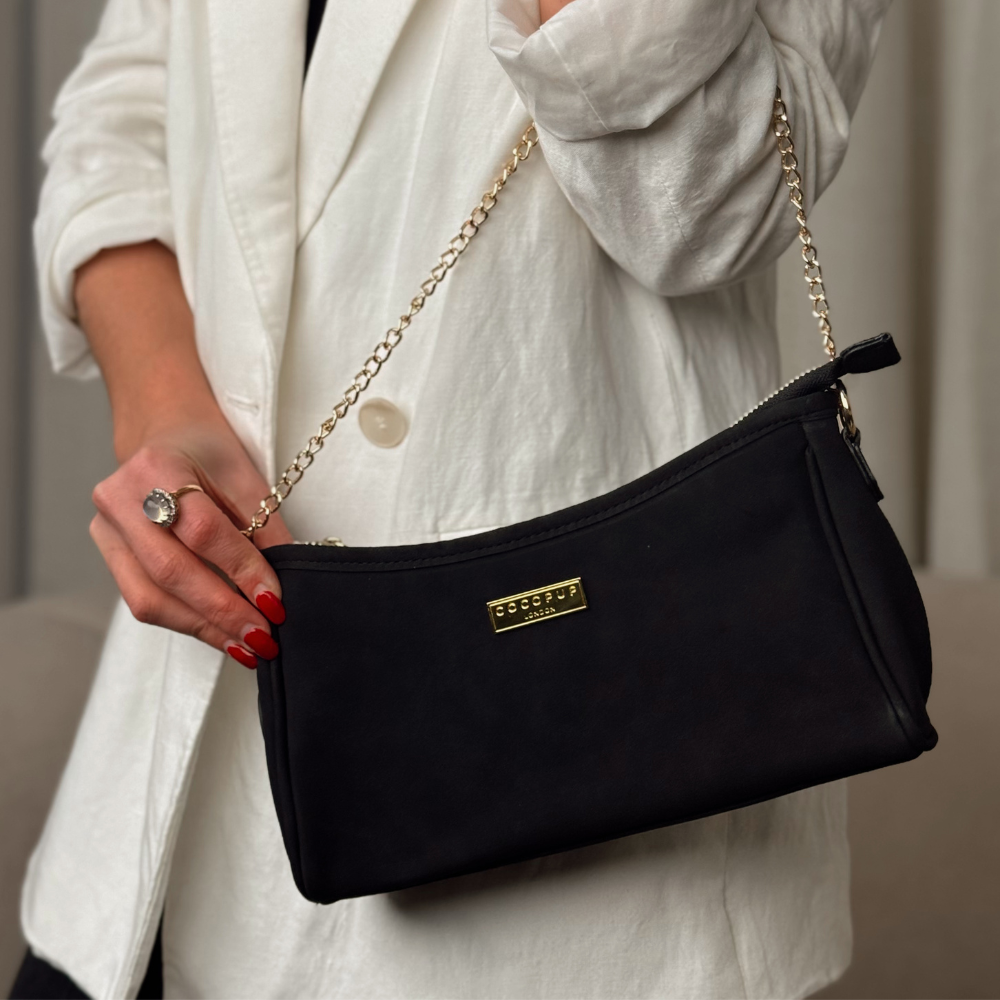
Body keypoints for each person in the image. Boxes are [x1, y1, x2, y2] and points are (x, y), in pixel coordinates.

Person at [16, 0, 891, 996]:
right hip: (168, 800)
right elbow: (128, 102)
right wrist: (161, 403)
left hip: (588, 855)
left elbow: (698, 208)